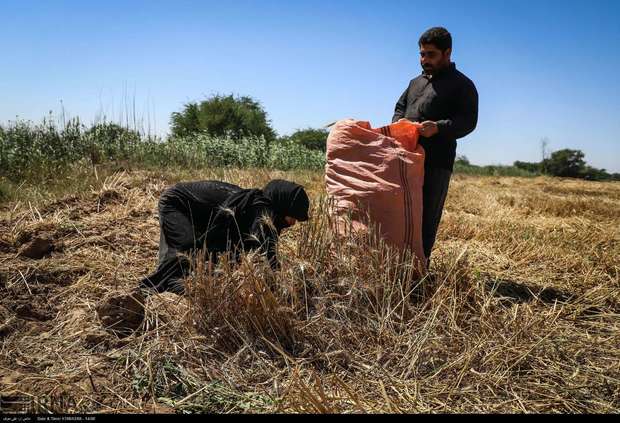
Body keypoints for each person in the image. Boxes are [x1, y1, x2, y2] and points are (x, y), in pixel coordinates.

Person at [392, 27, 478, 268]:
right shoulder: (415, 82)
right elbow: (400, 107)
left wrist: (438, 127)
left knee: (426, 218)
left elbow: (468, 121)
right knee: (401, 214)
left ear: (447, 52)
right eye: (421, 54)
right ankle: (396, 267)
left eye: (430, 54)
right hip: (405, 158)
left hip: (436, 162)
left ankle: (419, 270)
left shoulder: (463, 85)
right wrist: (399, 123)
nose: (424, 60)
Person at [139, 179, 310, 295]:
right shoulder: (259, 212)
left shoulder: (258, 209)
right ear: (282, 206)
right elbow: (265, 256)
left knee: (201, 258)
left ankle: (169, 285)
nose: (293, 223)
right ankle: (145, 293)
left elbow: (257, 252)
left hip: (202, 213)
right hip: (177, 203)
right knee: (185, 251)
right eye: (293, 216)